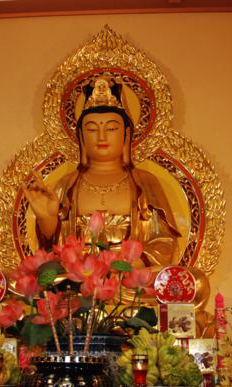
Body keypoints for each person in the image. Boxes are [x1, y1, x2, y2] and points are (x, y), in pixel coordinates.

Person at [23, 76, 181, 267]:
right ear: (81, 136)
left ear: (126, 134)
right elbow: (51, 253)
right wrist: (47, 221)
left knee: (198, 281)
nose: (101, 136)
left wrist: (128, 266)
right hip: (78, 278)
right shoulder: (66, 185)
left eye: (112, 128)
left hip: (131, 276)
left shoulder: (145, 182)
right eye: (92, 129)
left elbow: (165, 244)